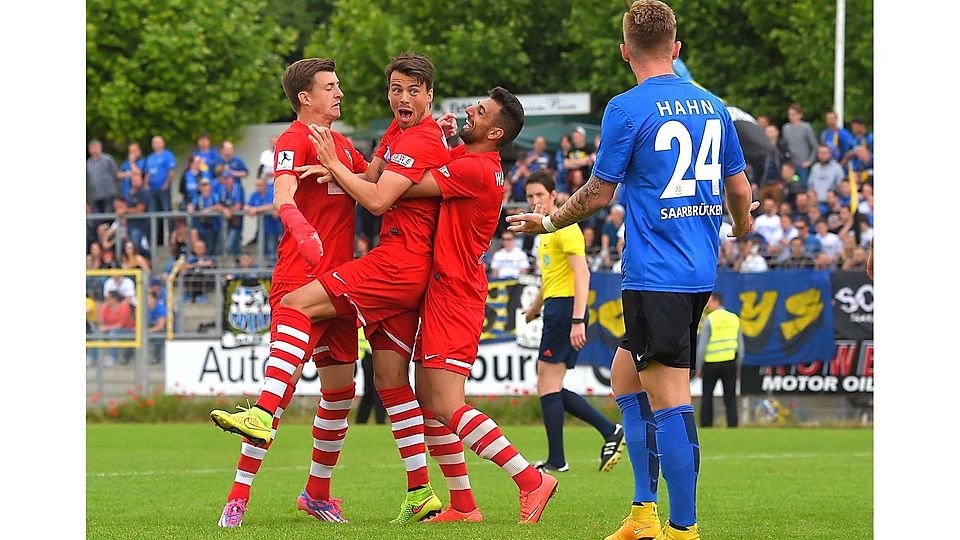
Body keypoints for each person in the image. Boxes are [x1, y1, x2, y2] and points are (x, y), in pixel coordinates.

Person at [506, 2, 756, 537]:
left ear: (625, 53)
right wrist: (740, 226)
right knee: (626, 377)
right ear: (676, 49)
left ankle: (683, 528)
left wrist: (550, 221)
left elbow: (599, 191)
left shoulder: (626, 108)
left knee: (668, 397)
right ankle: (643, 513)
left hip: (655, 275)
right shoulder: (713, 106)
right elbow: (740, 189)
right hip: (693, 273)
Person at [210, 56, 428, 527]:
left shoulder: (341, 146)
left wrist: (435, 130)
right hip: (299, 281)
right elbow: (283, 196)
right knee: (279, 392)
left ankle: (316, 493)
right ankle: (237, 497)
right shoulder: (292, 139)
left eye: (339, 85)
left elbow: (372, 180)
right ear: (305, 98)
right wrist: (301, 228)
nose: (340, 93)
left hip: (341, 285)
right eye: (331, 86)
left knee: (339, 392)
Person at [520, 171, 624, 474]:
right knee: (549, 384)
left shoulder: (565, 228)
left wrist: (578, 319)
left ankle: (562, 456)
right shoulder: (544, 232)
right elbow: (550, 277)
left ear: (554, 196)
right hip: (556, 307)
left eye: (540, 195)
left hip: (566, 309)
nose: (535, 201)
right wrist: (535, 307)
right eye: (529, 196)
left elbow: (582, 273)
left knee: (547, 382)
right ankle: (606, 433)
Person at [695, 292, 743, 428]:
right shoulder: (734, 318)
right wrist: (738, 367)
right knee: (730, 397)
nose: (708, 305)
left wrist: (699, 366)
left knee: (707, 396)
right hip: (730, 362)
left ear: (717, 302)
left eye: (709, 302)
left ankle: (706, 424)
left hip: (711, 363)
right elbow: (741, 346)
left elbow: (702, 346)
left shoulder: (710, 319)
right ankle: (733, 424)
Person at [245, 175, 281, 259]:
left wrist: (257, 209)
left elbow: (274, 205)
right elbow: (246, 206)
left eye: (260, 185)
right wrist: (250, 209)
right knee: (263, 249)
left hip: (273, 227)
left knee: (272, 249)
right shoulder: (255, 194)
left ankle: (272, 267)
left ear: (265, 185)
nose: (258, 187)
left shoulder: (271, 192)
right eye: (257, 185)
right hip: (261, 228)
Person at [781, 103, 817, 183]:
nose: (791, 117)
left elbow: (814, 146)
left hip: (803, 164)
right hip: (791, 164)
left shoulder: (806, 127)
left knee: (803, 185)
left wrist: (810, 161)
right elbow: (784, 145)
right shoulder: (786, 128)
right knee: (791, 184)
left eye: (794, 114)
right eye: (790, 115)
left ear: (800, 115)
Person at [145, 135, 177, 215]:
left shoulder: (168, 155)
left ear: (163, 143)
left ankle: (167, 227)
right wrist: (146, 184)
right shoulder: (150, 157)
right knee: (153, 210)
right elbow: (148, 172)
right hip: (152, 189)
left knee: (166, 210)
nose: (156, 144)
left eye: (158, 142)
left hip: (163, 188)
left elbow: (171, 171)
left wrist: (166, 183)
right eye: (154, 143)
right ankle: (155, 227)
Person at [87, 139, 120, 214]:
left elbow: (116, 174)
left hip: (108, 194)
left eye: (96, 148)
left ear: (100, 148)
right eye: (92, 148)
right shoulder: (88, 162)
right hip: (95, 196)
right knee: (98, 219)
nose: (94, 150)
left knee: (108, 216)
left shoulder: (107, 159)